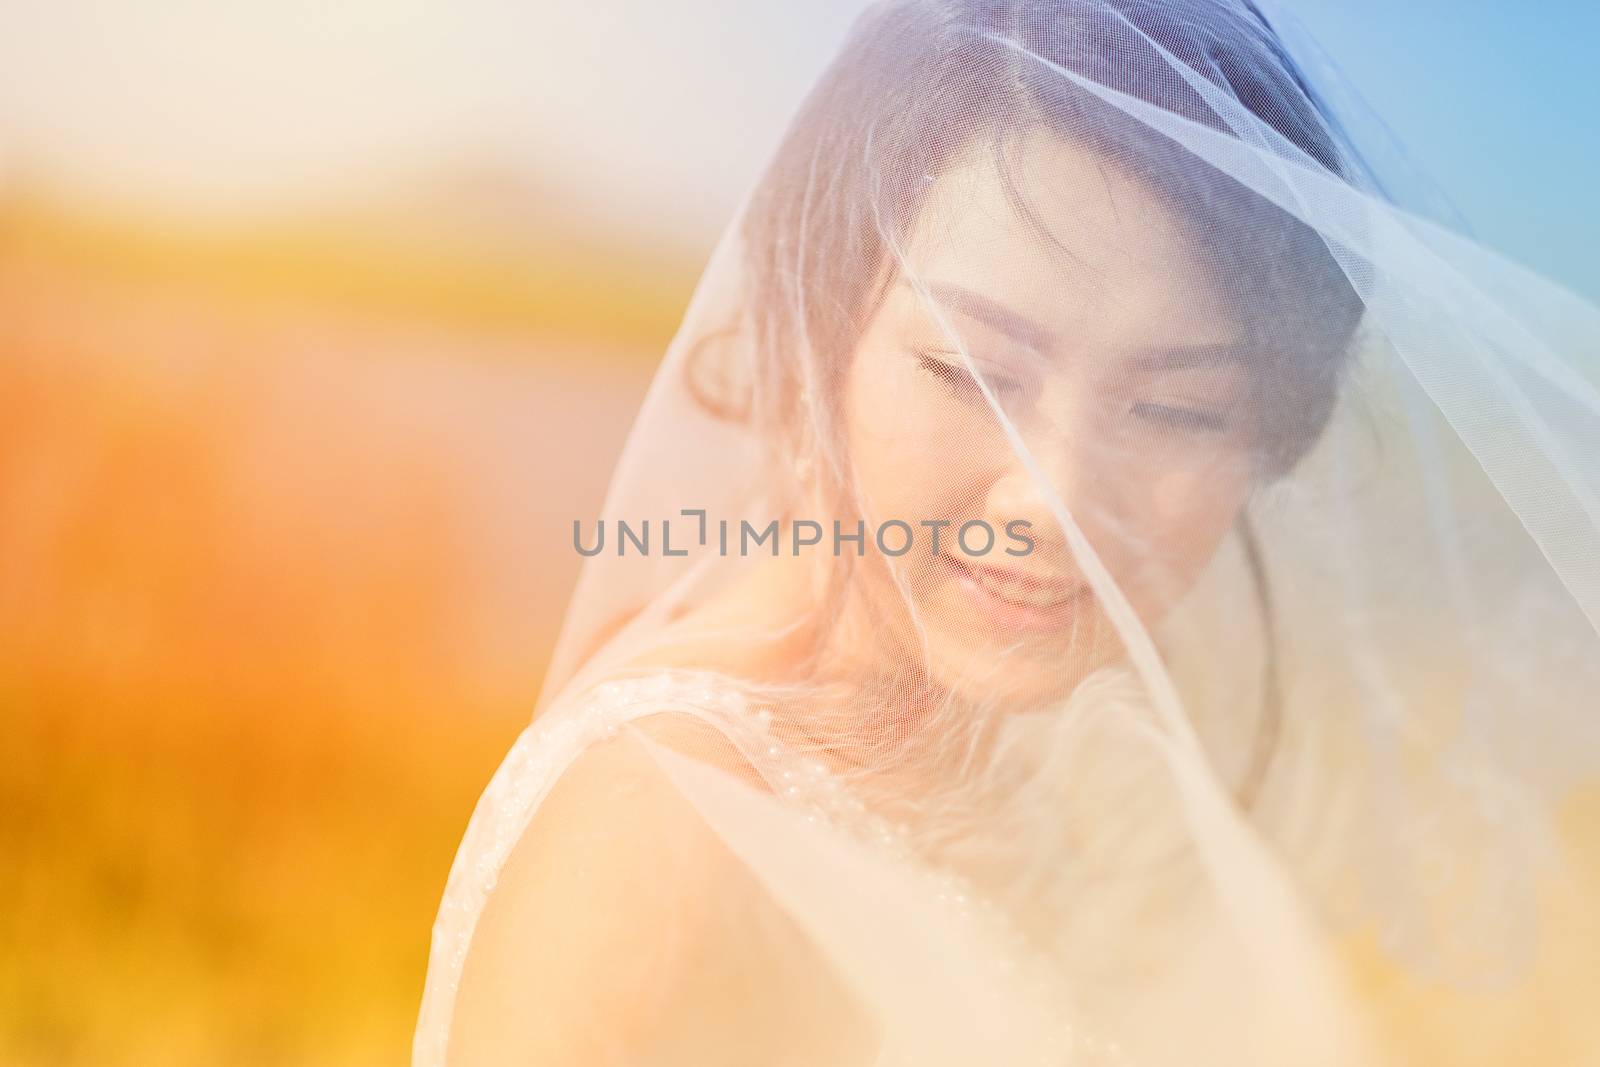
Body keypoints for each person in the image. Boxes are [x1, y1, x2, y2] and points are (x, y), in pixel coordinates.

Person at [416, 2, 1600, 1063]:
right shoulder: (667, 831)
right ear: (820, 325)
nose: (1058, 500)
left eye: (1177, 408)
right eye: (975, 373)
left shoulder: (1050, 749)